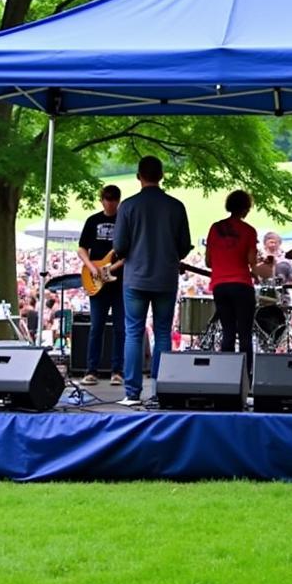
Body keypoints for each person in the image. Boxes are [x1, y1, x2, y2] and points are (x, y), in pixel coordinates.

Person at [112, 156, 191, 406]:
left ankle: (132, 393)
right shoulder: (176, 206)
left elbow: (120, 247)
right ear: (162, 175)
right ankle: (160, 391)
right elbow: (184, 246)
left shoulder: (128, 206)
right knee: (163, 334)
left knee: (133, 333)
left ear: (138, 176)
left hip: (135, 278)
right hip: (165, 278)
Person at [205, 190, 268, 377]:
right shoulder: (249, 231)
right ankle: (245, 378)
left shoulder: (214, 228)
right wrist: (264, 268)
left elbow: (208, 262)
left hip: (220, 286)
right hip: (241, 285)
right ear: (245, 208)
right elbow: (252, 263)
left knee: (228, 332)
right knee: (245, 334)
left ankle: (226, 378)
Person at [78, 185, 125, 385]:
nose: (110, 202)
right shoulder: (92, 220)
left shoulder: (125, 222)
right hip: (96, 281)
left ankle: (118, 371)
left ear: (118, 200)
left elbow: (128, 253)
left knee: (120, 329)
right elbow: (81, 248)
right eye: (107, 199)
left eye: (113, 199)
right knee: (96, 327)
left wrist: (111, 269)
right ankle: (91, 370)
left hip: (119, 282)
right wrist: (92, 267)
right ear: (102, 200)